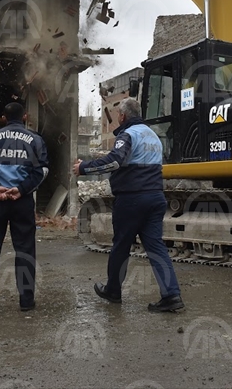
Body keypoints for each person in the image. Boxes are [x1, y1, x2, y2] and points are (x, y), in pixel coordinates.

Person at [73, 98, 184, 312]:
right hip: (155, 198)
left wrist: (84, 168)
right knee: (156, 247)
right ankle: (172, 296)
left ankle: (113, 290)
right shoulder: (153, 136)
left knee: (121, 245)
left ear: (123, 116)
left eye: (118, 116)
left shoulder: (128, 134)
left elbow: (115, 161)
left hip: (132, 199)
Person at [0, 102, 49, 312]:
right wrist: (21, 190)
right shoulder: (36, 140)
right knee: (25, 250)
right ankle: (26, 300)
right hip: (21, 201)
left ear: (3, 118)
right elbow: (41, 172)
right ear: (25, 116)